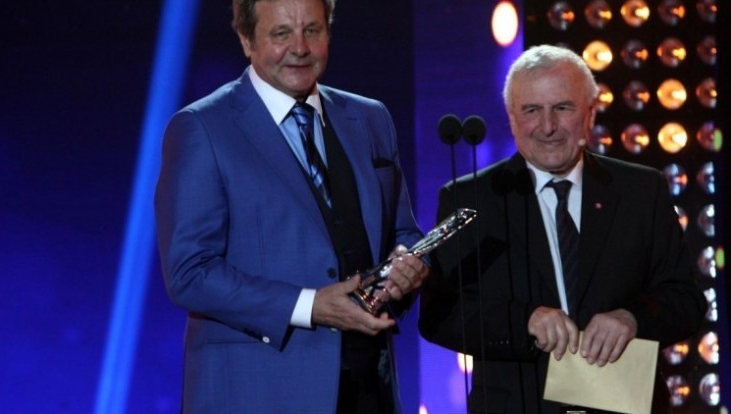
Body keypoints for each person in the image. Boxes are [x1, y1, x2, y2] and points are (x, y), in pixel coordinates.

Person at [154, 0, 430, 413]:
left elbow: (403, 234)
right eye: (281, 33)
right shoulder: (202, 128)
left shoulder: (370, 119)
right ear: (246, 39)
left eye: (312, 31)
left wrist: (406, 269)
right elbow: (190, 273)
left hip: (368, 387)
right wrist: (310, 306)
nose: (300, 47)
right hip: (260, 392)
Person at [418, 44, 707, 414]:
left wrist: (632, 317)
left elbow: (686, 300)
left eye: (562, 108)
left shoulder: (641, 190)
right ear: (512, 118)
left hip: (622, 404)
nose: (548, 126)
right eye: (532, 110)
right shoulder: (472, 198)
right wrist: (524, 321)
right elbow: (441, 315)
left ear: (590, 112)